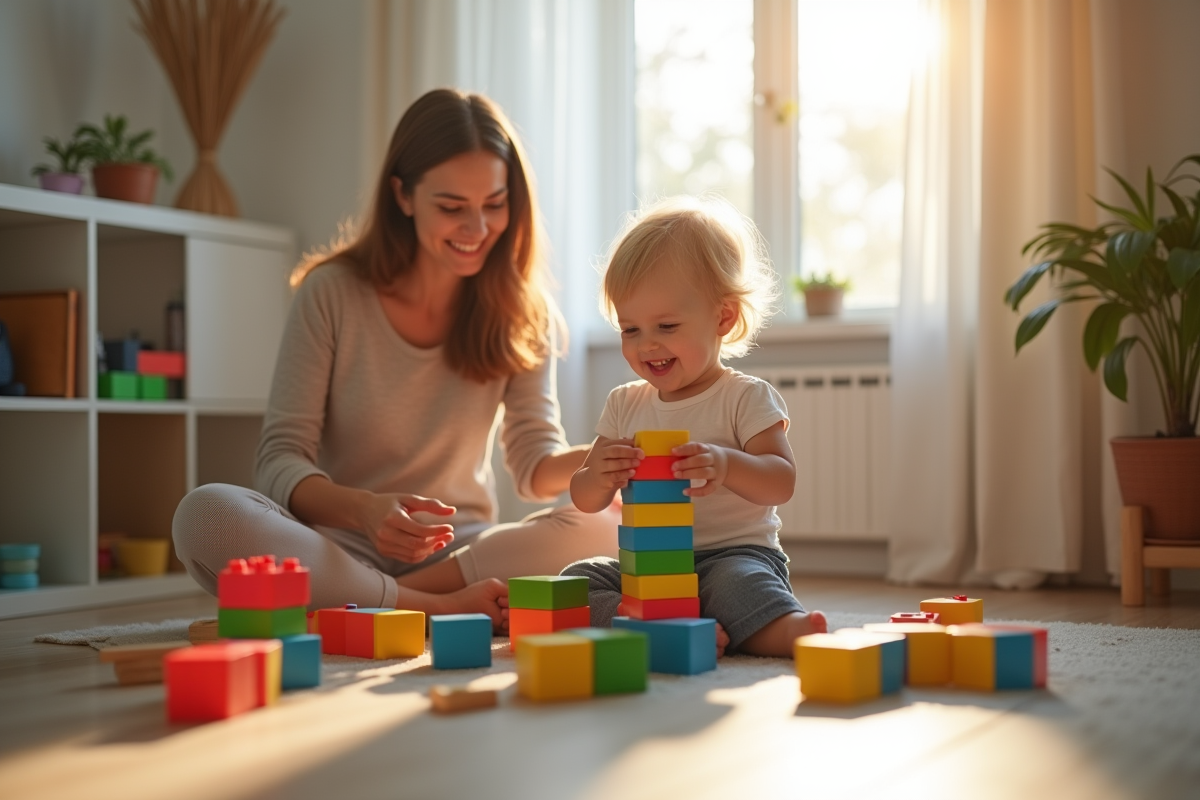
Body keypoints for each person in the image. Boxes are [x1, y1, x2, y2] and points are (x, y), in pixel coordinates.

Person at [172, 89, 618, 628]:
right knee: (205, 515)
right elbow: (280, 460)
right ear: (403, 196)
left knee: (607, 526)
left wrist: (612, 455)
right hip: (338, 544)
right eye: (452, 207)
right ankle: (427, 609)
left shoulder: (523, 311)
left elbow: (534, 465)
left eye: (494, 205)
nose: (477, 229)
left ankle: (375, 601)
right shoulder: (331, 293)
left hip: (458, 554)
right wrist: (365, 509)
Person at [565, 196, 827, 658]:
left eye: (666, 325)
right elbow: (586, 498)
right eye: (630, 330)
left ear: (722, 317)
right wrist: (597, 474)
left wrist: (727, 464)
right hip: (648, 567)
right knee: (577, 580)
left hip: (733, 554)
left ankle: (786, 631)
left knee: (737, 585)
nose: (647, 345)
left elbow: (781, 481)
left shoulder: (744, 396)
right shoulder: (624, 403)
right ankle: (649, 624)